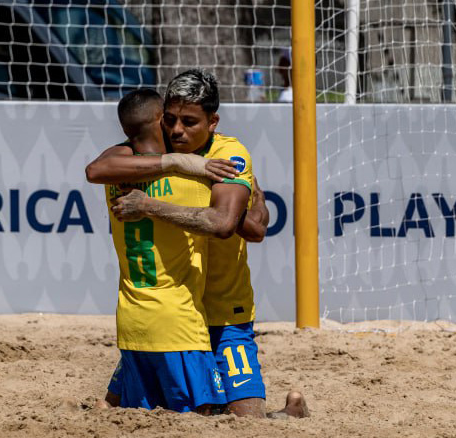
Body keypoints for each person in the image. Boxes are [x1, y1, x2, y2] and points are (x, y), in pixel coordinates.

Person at [88, 70, 308, 418]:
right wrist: (177, 161)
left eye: (189, 122)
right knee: (116, 408)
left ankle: (291, 413)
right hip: (178, 312)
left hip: (223, 305)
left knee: (245, 418)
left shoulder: (227, 155)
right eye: (171, 120)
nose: (177, 130)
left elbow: (237, 226)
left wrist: (150, 205)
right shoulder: (159, 150)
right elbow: (96, 168)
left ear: (212, 122)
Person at [94, 88, 227, 414]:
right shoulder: (192, 178)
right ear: (159, 121)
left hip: (132, 326)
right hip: (179, 327)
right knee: (204, 418)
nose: (177, 125)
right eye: (170, 117)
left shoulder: (114, 175)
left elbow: (96, 168)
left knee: (140, 419)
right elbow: (226, 224)